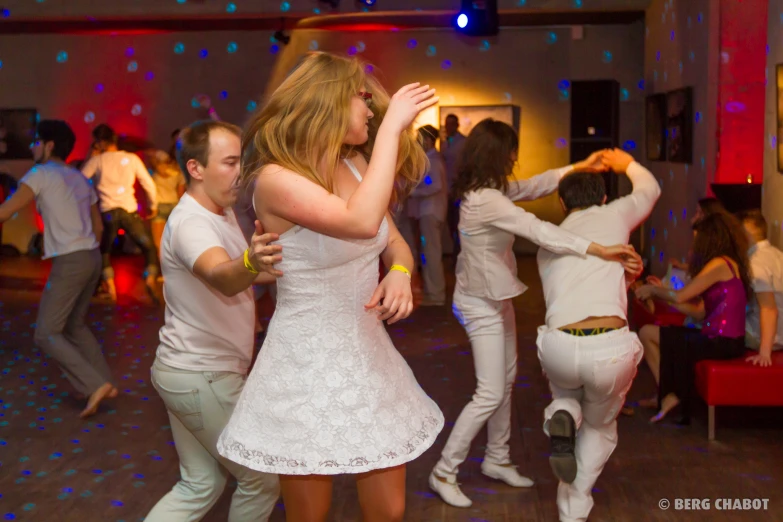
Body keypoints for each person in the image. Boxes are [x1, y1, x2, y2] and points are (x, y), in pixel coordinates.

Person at [216, 52, 443, 522]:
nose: (371, 109)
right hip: (304, 365)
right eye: (362, 97)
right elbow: (359, 222)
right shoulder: (277, 179)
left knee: (390, 511)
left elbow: (394, 244)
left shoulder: (359, 164)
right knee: (309, 516)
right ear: (330, 103)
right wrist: (395, 128)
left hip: (368, 354)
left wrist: (400, 274)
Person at [428, 120, 638, 508]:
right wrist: (599, 249)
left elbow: (534, 186)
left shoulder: (489, 190)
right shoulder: (486, 199)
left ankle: (497, 458)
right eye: (511, 149)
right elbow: (537, 229)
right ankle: (444, 470)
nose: (515, 157)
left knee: (504, 381)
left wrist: (579, 166)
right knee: (489, 391)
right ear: (496, 153)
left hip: (495, 296)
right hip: (479, 303)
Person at [145, 120, 281, 522]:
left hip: (188, 371)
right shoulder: (191, 223)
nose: (241, 171)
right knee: (261, 479)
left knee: (201, 484)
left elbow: (247, 272)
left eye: (242, 160)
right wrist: (250, 262)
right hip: (201, 375)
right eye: (230, 162)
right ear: (196, 168)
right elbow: (223, 276)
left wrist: (305, 265)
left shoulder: (220, 213)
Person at [535, 149, 659, 522]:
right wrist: (627, 165)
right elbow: (650, 190)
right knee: (602, 427)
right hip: (609, 347)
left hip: (560, 345)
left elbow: (578, 284)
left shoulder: (549, 241)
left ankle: (562, 411)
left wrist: (626, 270)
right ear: (604, 198)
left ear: (561, 202)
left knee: (567, 389)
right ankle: (573, 507)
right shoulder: (615, 214)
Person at [0, 120, 116, 417]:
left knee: (46, 332)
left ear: (49, 145)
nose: (32, 147)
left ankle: (93, 384)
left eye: (36, 141)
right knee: (74, 326)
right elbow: (99, 226)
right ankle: (104, 382)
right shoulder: (78, 177)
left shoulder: (40, 173)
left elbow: (6, 210)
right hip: (89, 256)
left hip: (71, 260)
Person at [635, 212, 751, 423]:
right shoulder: (726, 264)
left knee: (654, 335)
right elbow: (699, 312)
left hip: (721, 341)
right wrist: (662, 294)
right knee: (647, 333)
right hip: (717, 338)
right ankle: (669, 394)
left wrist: (653, 291)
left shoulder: (719, 264)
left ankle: (672, 394)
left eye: (698, 237)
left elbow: (681, 295)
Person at [81, 124, 159, 302]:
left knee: (105, 251)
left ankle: (111, 287)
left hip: (108, 213)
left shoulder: (97, 161)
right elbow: (148, 183)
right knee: (149, 247)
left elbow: (79, 180)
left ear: (100, 142)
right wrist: (153, 205)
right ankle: (149, 278)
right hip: (129, 211)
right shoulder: (131, 159)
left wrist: (91, 158)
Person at [407, 124, 448, 306]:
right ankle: (434, 292)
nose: (417, 141)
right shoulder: (432, 159)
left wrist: (412, 192)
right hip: (430, 211)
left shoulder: (433, 160)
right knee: (431, 252)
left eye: (420, 138)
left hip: (430, 211)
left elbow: (434, 185)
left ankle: (436, 294)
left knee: (431, 253)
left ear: (429, 140)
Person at [738, 210, 783, 366]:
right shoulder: (778, 256)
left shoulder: (755, 263)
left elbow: (769, 308)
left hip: (762, 337)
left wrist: (764, 353)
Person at [149, 149, 186, 254]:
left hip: (159, 206)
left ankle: (163, 267)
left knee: (159, 241)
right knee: (176, 240)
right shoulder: (178, 173)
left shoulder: (153, 173)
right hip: (174, 206)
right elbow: (181, 193)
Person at [441, 114, 467, 255]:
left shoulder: (463, 142)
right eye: (447, 124)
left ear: (457, 125)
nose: (449, 127)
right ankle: (456, 254)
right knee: (451, 224)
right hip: (447, 190)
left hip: (458, 190)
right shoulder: (445, 143)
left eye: (451, 124)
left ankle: (460, 255)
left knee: (459, 223)